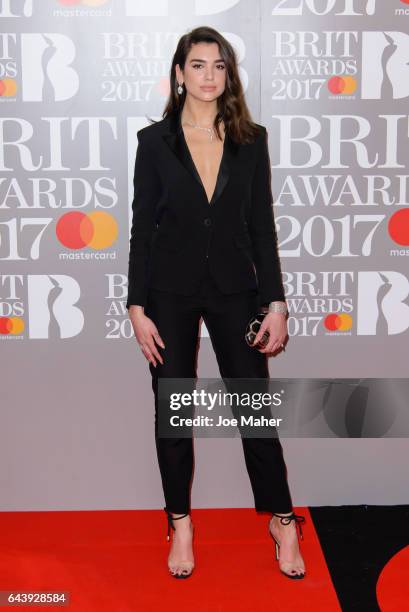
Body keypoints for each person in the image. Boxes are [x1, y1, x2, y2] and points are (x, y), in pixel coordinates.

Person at [126, 26, 306, 580]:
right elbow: (142, 230)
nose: (208, 76)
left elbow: (261, 228)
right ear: (179, 74)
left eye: (218, 66)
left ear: (229, 74)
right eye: (197, 65)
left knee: (255, 413)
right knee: (174, 415)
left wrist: (275, 302)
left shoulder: (252, 140)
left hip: (236, 292)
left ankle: (282, 520)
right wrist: (136, 306)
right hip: (169, 294)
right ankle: (179, 521)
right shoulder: (153, 143)